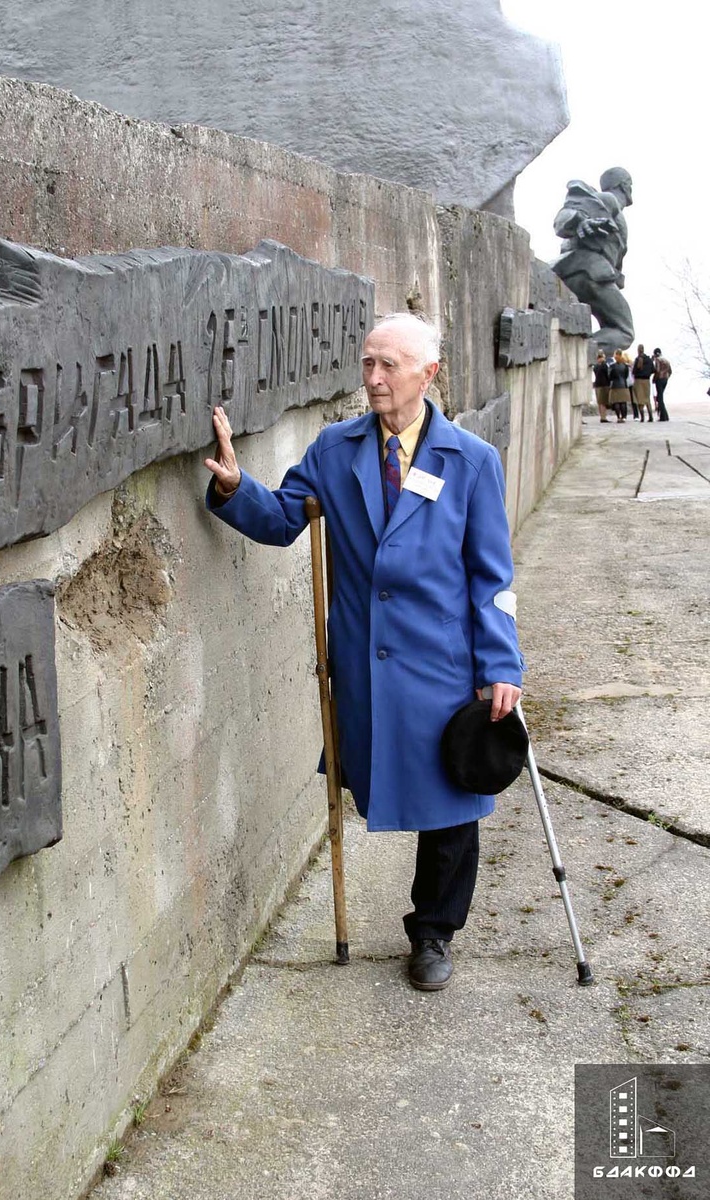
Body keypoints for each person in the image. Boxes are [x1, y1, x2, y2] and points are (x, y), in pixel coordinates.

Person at [204, 312, 524, 993]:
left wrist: (501, 664)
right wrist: (236, 487)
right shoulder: (335, 450)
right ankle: (431, 924)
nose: (374, 378)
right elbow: (285, 518)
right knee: (385, 785)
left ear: (428, 374)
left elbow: (491, 575)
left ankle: (434, 932)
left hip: (445, 663)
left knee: (453, 800)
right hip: (366, 663)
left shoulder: (470, 461)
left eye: (389, 366)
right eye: (367, 363)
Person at [551, 168, 634, 358]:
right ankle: (573, 355)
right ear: (624, 184)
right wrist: (579, 221)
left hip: (585, 272)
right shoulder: (607, 199)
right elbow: (562, 218)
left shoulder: (616, 212)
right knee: (624, 331)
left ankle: (573, 352)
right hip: (589, 272)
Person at [632, 344, 655, 422]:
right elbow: (653, 370)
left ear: (638, 350)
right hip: (646, 380)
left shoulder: (637, 359)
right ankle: (650, 416)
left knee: (639, 399)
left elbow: (634, 371)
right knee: (647, 398)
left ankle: (642, 417)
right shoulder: (649, 360)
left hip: (638, 381)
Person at [607, 348, 630, 421]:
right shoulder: (625, 365)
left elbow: (610, 376)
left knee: (616, 402)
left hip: (615, 385)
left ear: (616, 355)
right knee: (623, 402)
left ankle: (618, 417)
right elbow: (626, 376)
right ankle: (624, 417)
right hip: (623, 385)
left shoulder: (612, 366)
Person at [652, 348, 672, 421]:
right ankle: (664, 416)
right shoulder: (666, 360)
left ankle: (663, 416)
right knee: (660, 397)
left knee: (660, 398)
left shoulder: (658, 360)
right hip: (665, 379)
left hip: (659, 379)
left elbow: (657, 370)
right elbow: (670, 371)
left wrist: (654, 379)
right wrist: (666, 377)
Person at [592, 351, 611, 422]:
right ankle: (603, 417)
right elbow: (607, 375)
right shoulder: (604, 365)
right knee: (603, 402)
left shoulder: (596, 366)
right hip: (604, 385)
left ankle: (601, 416)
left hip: (597, 385)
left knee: (599, 402)